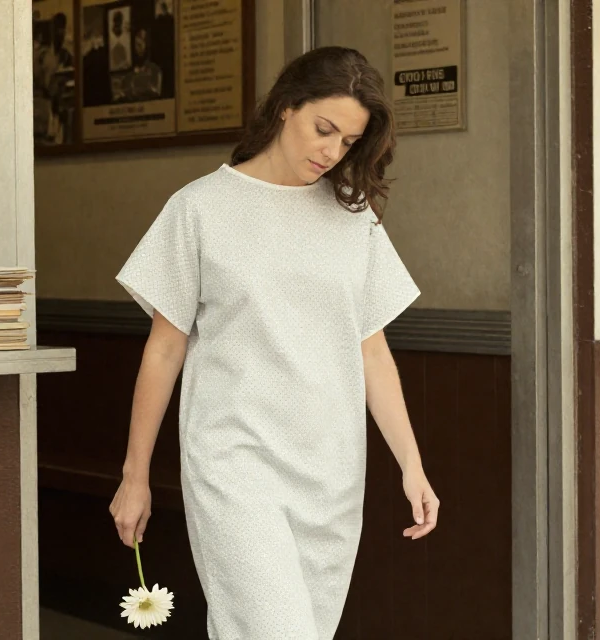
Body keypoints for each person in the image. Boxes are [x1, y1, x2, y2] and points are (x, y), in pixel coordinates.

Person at [109, 47, 438, 639]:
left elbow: (372, 350)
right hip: (235, 464)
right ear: (287, 107)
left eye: (347, 141)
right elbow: (162, 350)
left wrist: (411, 464)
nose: (331, 151)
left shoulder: (351, 215)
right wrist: (135, 476)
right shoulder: (200, 209)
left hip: (332, 472)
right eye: (323, 129)